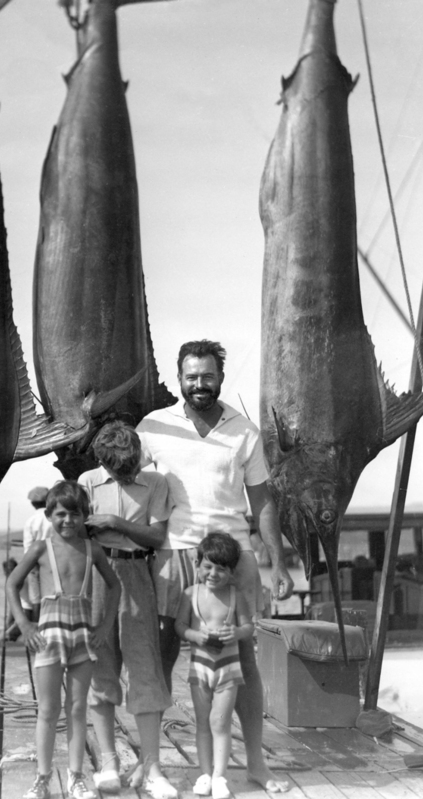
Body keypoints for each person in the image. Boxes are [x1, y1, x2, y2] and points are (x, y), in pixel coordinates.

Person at [136, 339, 294, 793]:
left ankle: (256, 763)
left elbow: (262, 500)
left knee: (243, 660)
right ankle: (151, 764)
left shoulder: (244, 431)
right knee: (162, 655)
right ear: (179, 378)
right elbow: (129, 483)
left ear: (220, 377)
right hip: (174, 551)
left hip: (234, 554)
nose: (199, 384)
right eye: (191, 377)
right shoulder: (154, 426)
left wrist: (278, 562)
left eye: (207, 376)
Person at [78, 421, 177, 799]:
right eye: (119, 469)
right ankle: (108, 762)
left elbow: (157, 535)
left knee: (145, 668)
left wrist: (115, 523)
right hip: (96, 576)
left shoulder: (156, 483)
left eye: (132, 466)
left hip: (137, 573)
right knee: (100, 667)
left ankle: (151, 767)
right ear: (103, 462)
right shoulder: (87, 482)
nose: (127, 473)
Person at [6, 481, 121, 799]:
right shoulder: (40, 548)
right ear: (48, 515)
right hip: (49, 638)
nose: (68, 520)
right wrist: (24, 625)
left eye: (74, 514)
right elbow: (12, 583)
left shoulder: (93, 549)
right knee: (47, 709)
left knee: (77, 709)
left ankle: (75, 777)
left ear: (85, 515)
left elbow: (115, 586)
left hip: (82, 638)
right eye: (60, 514)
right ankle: (42, 778)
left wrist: (104, 626)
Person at [175, 533, 254, 799]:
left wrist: (237, 632)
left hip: (228, 670)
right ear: (197, 565)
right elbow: (180, 626)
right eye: (207, 566)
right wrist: (194, 635)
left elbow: (249, 627)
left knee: (219, 722)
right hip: (200, 669)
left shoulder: (235, 595)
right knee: (202, 723)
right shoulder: (190, 594)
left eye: (221, 569)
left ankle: (220, 776)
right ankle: (205, 774)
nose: (213, 574)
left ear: (231, 572)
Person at [22, 486, 52, 622]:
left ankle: (37, 626)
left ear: (33, 504)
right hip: (52, 560)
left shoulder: (31, 521)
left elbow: (27, 548)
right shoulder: (52, 519)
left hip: (34, 562)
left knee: (35, 597)